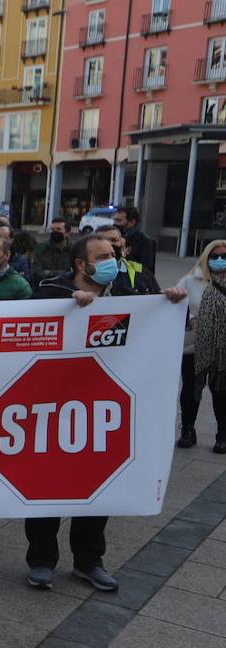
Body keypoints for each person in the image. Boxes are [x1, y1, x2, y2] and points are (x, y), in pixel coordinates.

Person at [25, 235, 186, 591]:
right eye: (104, 256)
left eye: (115, 254)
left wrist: (171, 304)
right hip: (53, 409)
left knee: (97, 488)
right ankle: (40, 560)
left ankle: (88, 561)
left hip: (102, 411)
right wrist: (69, 305)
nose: (115, 259)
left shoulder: (130, 294)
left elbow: (156, 323)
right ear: (82, 265)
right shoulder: (50, 294)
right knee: (45, 487)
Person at [178, 240, 226, 453]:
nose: (219, 260)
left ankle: (222, 435)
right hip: (193, 347)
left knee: (221, 392)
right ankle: (188, 430)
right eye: (214, 256)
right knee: (190, 391)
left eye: (224, 255)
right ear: (206, 258)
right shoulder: (190, 281)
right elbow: (173, 306)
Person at [98, 225, 159, 295]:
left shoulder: (141, 271)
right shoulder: (85, 270)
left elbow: (157, 296)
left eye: (114, 240)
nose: (109, 244)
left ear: (123, 245)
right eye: (102, 240)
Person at [114, 206, 157, 275]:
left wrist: (124, 255)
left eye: (119, 220)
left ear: (132, 222)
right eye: (114, 220)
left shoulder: (145, 242)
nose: (115, 223)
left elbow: (146, 270)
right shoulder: (116, 238)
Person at [34, 218, 73, 285]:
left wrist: (48, 272)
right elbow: (36, 273)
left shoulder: (74, 249)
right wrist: (63, 273)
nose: (55, 232)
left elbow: (74, 274)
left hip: (68, 287)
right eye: (52, 229)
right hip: (45, 286)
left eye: (58, 229)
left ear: (67, 233)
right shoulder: (41, 248)